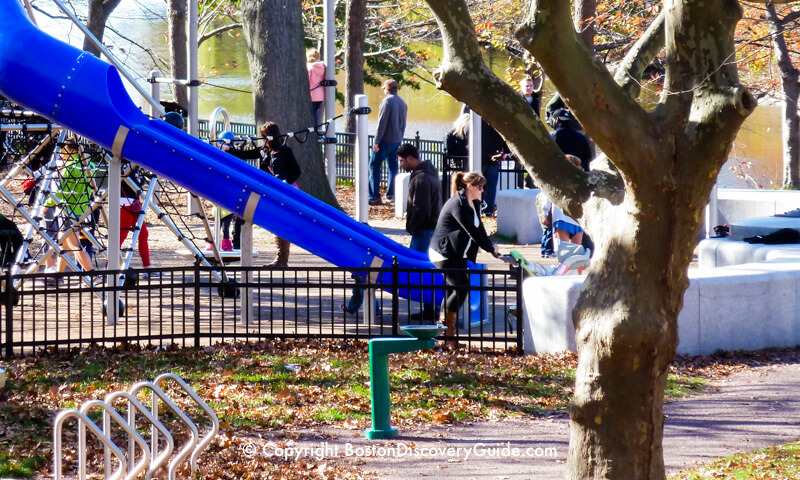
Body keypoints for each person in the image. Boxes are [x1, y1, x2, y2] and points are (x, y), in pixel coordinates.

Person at [429, 172, 500, 343]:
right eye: (480, 187)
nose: (482, 191)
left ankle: (445, 329)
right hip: (443, 252)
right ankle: (447, 329)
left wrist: (491, 247)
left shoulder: (473, 203)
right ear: (469, 186)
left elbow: (479, 227)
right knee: (460, 288)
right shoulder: (457, 203)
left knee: (457, 288)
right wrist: (489, 247)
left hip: (457, 252)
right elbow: (470, 229)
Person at [398, 143, 442, 321]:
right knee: (429, 269)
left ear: (410, 158)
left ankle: (431, 308)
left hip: (424, 231)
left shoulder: (421, 179)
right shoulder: (429, 175)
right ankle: (432, 307)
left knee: (420, 268)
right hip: (431, 229)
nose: (401, 164)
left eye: (402, 161)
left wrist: (412, 227)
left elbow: (420, 207)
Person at [260, 122, 301, 267]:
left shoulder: (284, 150)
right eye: (262, 137)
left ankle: (283, 259)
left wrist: (284, 183)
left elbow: (296, 171)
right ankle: (280, 258)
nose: (264, 139)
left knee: (282, 223)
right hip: (274, 192)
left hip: (287, 191)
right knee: (276, 223)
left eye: (266, 136)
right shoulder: (265, 152)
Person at [369, 79, 407, 205]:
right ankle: (391, 195)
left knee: (374, 165)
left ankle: (374, 196)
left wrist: (376, 142)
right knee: (393, 168)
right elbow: (403, 124)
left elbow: (382, 123)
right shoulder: (402, 103)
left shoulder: (387, 102)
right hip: (396, 140)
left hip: (385, 140)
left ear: (387, 89)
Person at [541, 155, 584, 251]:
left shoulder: (556, 180)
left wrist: (545, 213)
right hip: (578, 219)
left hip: (561, 217)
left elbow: (548, 196)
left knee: (562, 253)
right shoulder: (581, 180)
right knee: (575, 255)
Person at [120, 165, 156, 273]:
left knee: (143, 233)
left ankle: (147, 265)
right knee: (121, 235)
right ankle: (108, 267)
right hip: (124, 202)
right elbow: (133, 183)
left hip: (134, 202)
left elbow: (138, 182)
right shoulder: (125, 165)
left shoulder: (136, 167)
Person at [214, 131, 245, 250]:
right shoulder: (220, 157)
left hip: (231, 194)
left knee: (228, 222)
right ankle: (223, 242)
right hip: (226, 193)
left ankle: (232, 243)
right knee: (222, 223)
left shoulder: (232, 157)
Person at [549, 108, 592, 172]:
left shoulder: (551, 136)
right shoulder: (581, 137)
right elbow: (587, 159)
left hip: (556, 175)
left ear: (556, 120)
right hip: (577, 175)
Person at [480, 119, 507, 216]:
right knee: (491, 185)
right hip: (493, 157)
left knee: (479, 184)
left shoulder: (479, 122)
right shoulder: (497, 122)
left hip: (483, 157)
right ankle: (488, 209)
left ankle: (480, 207)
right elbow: (503, 139)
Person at [306, 49, 326, 127]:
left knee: (311, 113)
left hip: (312, 94)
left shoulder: (309, 67)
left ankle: (312, 130)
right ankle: (316, 131)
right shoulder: (323, 67)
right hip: (320, 94)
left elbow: (307, 80)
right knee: (315, 112)